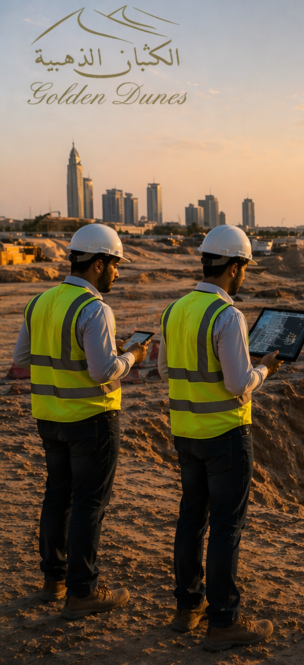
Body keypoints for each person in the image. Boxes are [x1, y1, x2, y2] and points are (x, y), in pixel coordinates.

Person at [157, 225, 283, 652]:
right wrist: (265, 369)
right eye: (244, 267)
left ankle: (187, 607)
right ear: (233, 267)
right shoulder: (227, 316)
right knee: (226, 527)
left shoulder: (175, 310)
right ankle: (224, 620)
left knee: (192, 519)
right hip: (226, 436)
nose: (244, 275)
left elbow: (164, 370)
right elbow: (237, 384)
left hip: (186, 433)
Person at [13, 224, 148, 619]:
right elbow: (103, 371)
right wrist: (132, 357)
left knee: (58, 497)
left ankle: (53, 580)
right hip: (91, 420)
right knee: (89, 503)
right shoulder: (94, 308)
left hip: (49, 418)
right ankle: (83, 591)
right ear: (99, 264)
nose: (117, 273)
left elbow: (22, 358)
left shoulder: (40, 302)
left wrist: (96, 352)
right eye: (115, 265)